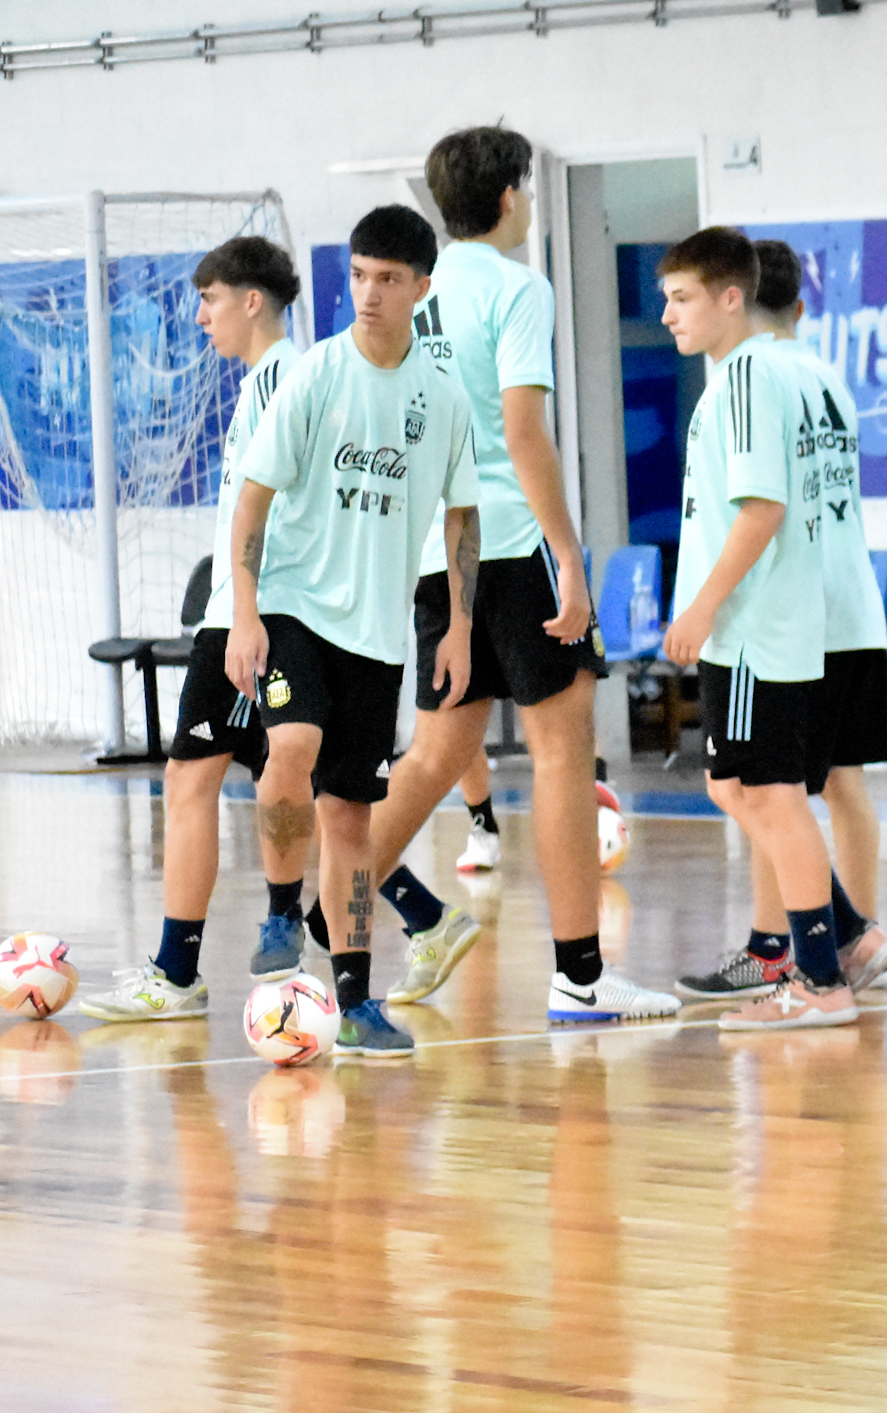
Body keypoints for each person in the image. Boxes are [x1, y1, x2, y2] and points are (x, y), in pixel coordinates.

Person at [341, 125, 677, 1025]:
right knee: (563, 750)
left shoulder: (411, 294)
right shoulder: (519, 289)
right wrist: (570, 556)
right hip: (510, 549)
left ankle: (325, 910)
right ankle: (580, 978)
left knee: (436, 755)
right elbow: (523, 434)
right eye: (525, 190)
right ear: (507, 201)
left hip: (430, 557)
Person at [224, 204, 478, 1060]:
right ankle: (277, 909)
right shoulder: (317, 375)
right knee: (289, 744)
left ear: (421, 289)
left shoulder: (441, 399)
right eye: (359, 276)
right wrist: (246, 611)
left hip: (378, 634)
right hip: (294, 606)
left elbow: (464, 516)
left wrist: (461, 626)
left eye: (388, 280)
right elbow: (253, 495)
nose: (368, 294)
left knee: (352, 821)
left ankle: (359, 1000)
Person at [79, 236, 309, 1023]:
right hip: (248, 612)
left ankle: (179, 973)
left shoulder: (286, 377)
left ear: (251, 300)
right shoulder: (265, 382)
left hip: (254, 615)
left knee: (202, 778)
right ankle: (413, 911)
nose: (200, 318)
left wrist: (246, 615)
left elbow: (278, 510)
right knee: (270, 778)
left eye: (210, 301)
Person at [675, 236, 887, 1002]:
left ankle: (820, 959)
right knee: (803, 786)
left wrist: (702, 605)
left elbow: (763, 508)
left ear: (733, 295)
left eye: (682, 296)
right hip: (836, 608)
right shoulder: (820, 375)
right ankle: (837, 938)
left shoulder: (748, 377)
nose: (670, 312)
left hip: (776, 618)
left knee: (772, 791)